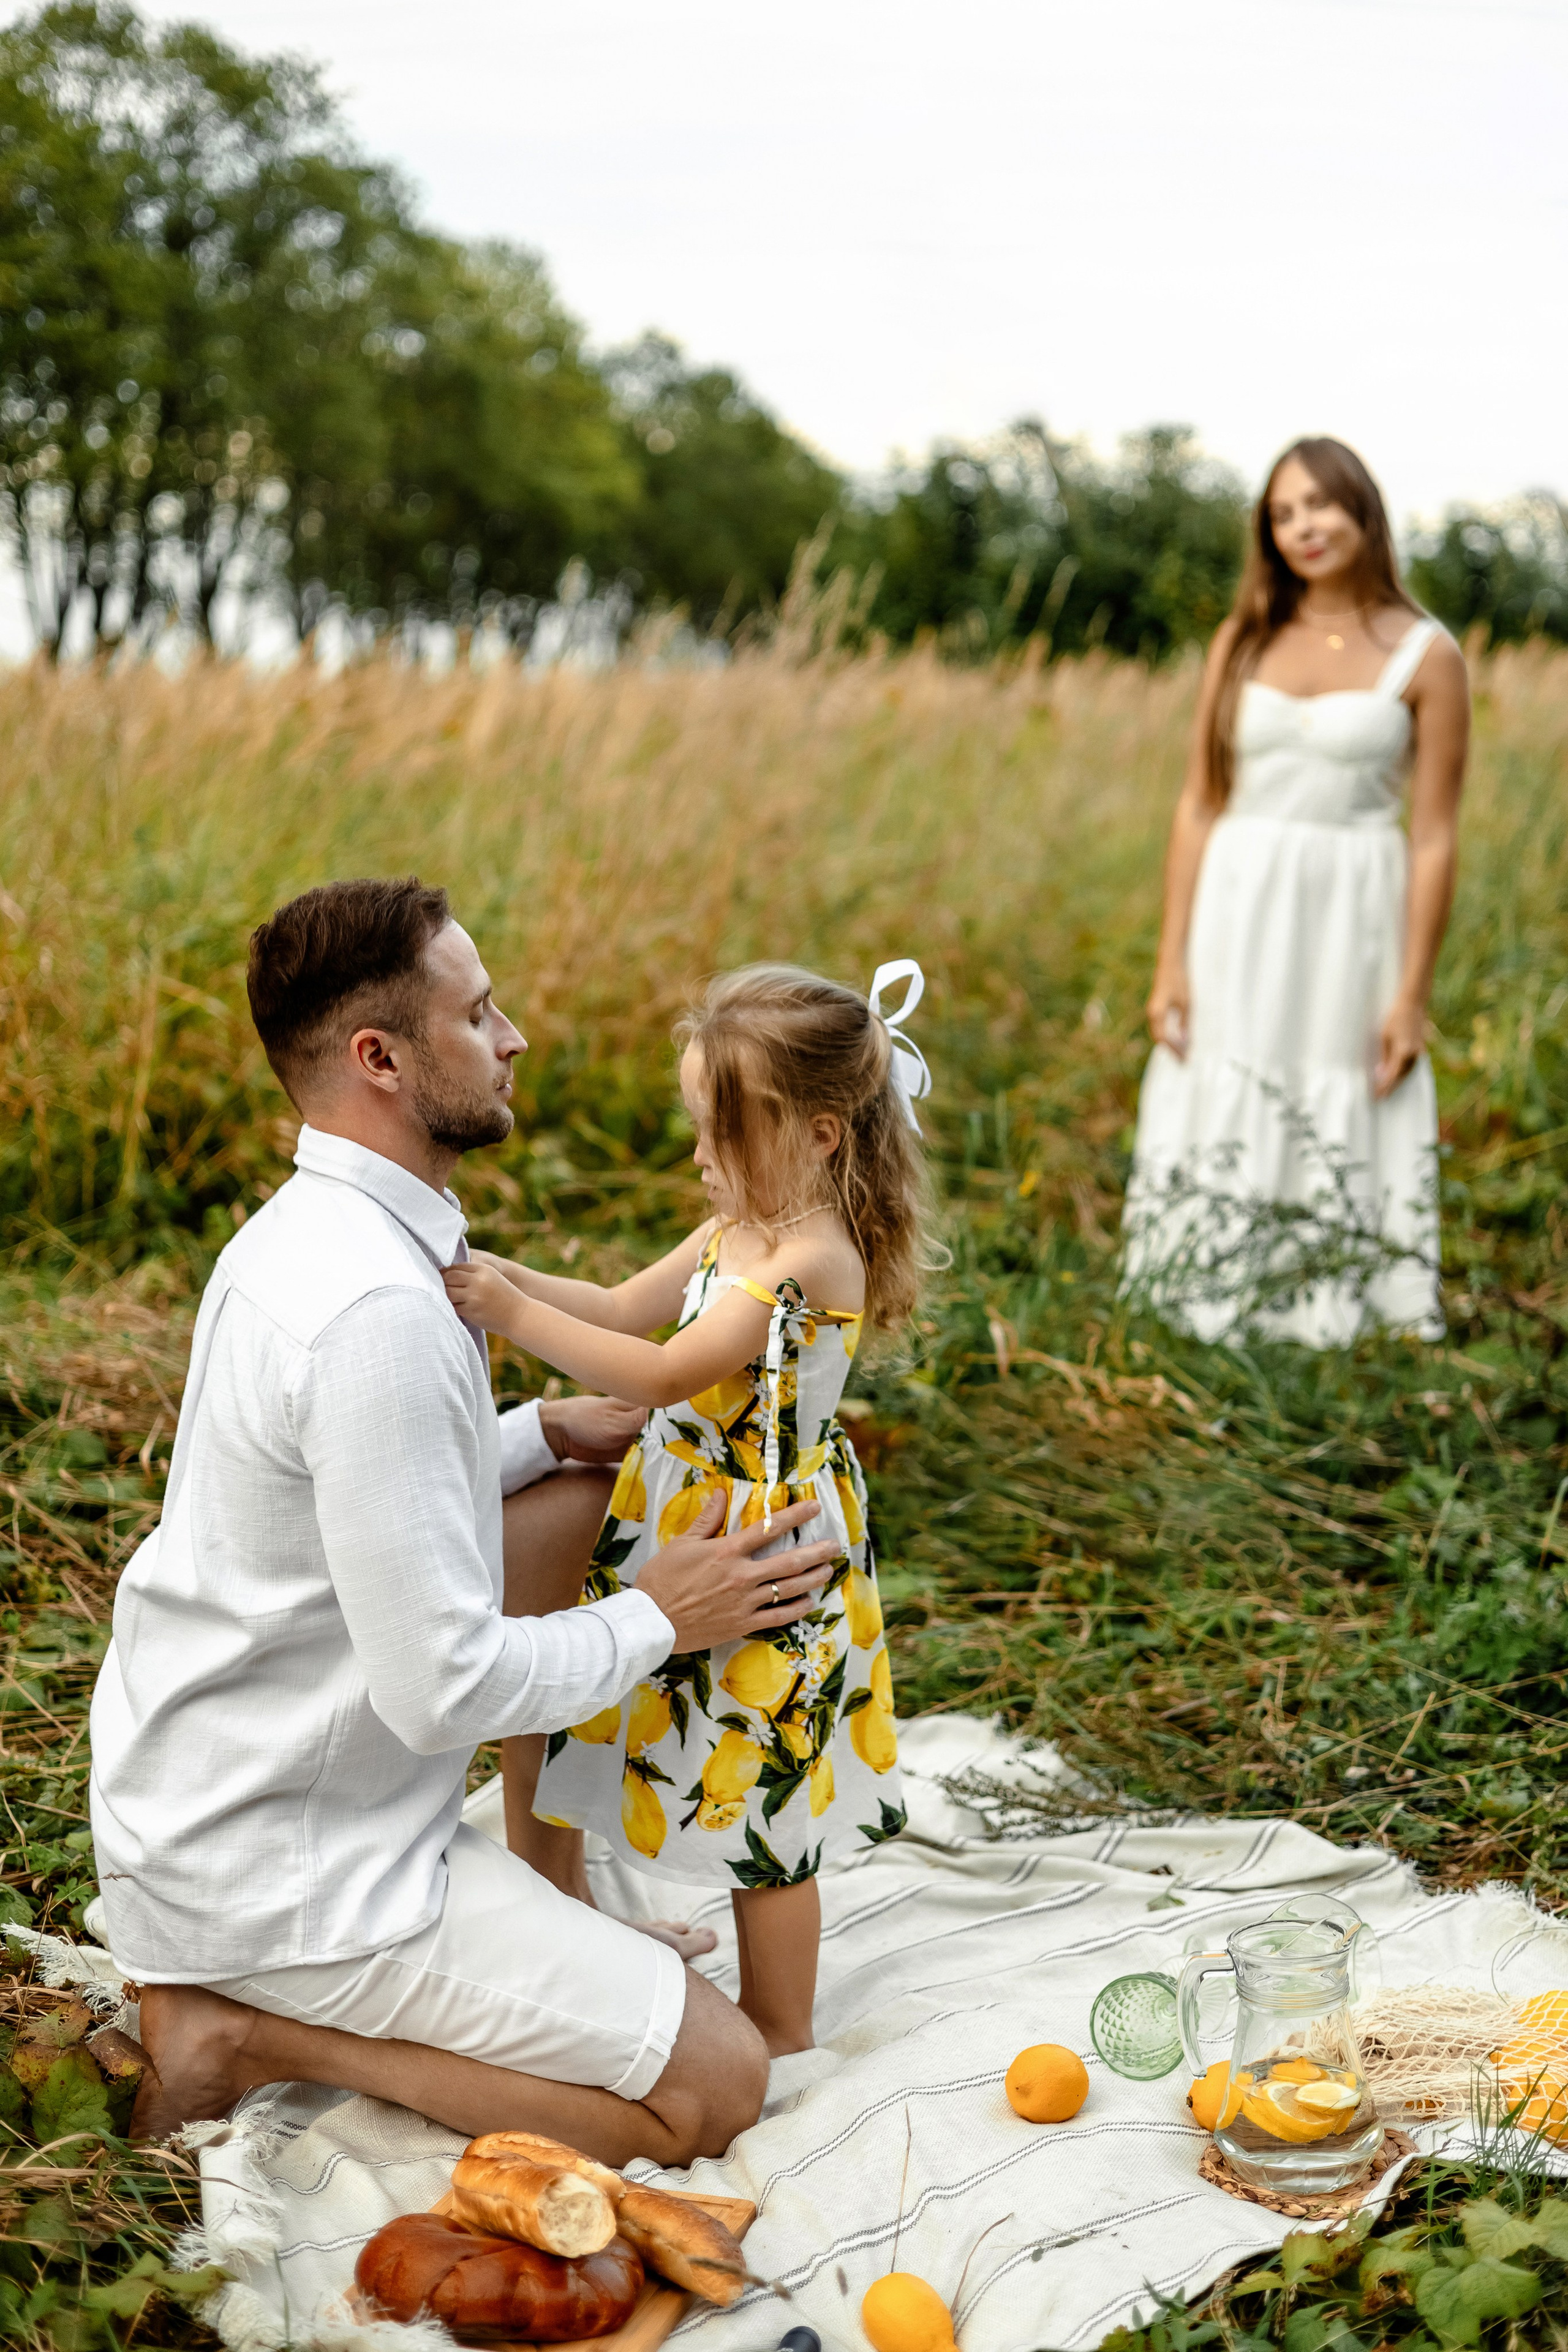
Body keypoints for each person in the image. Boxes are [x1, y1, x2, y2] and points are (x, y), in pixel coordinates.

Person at [88, 878, 843, 2157]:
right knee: (714, 2088)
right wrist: (663, 1615)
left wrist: (546, 1426)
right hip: (291, 1869)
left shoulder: (316, 1235)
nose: (514, 1039)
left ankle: (530, 1890)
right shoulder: (373, 1314)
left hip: (238, 1774)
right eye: (479, 1012)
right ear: (380, 1059)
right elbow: (442, 1688)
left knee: (568, 1498)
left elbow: (351, 1490)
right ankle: (244, 2029)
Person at [443, 962, 930, 2059]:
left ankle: (781, 2024)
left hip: (761, 1550)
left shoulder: (812, 1258)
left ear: (817, 1135)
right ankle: (580, 1932)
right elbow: (620, 1308)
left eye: (724, 1131)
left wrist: (512, 1312)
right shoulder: (733, 1235)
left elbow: (663, 1372)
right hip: (682, 1527)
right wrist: (492, 1269)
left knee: (766, 1797)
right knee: (622, 1726)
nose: (700, 1156)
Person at [1121, 437, 1470, 1346]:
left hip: (1355, 902)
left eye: (1320, 504)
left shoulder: (1429, 656)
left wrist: (1412, 996)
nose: (1303, 526)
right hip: (1239, 895)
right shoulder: (1242, 640)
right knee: (1230, 1065)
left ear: (1363, 510)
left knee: (1340, 1075)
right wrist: (1170, 963)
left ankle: (1337, 1295)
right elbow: (1200, 802)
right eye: (1283, 513)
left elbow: (1433, 836)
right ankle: (1212, 1285)